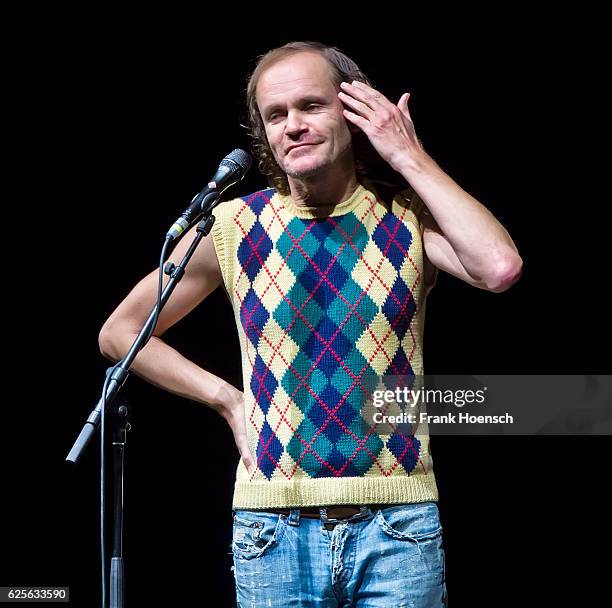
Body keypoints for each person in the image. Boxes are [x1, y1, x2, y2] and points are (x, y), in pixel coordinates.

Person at [99, 41, 522, 607]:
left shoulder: (406, 217)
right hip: (272, 529)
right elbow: (122, 332)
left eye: (311, 106)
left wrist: (407, 155)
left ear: (353, 112)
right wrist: (226, 400)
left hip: (398, 526)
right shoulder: (233, 224)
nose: (292, 126)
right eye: (276, 115)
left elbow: (498, 267)